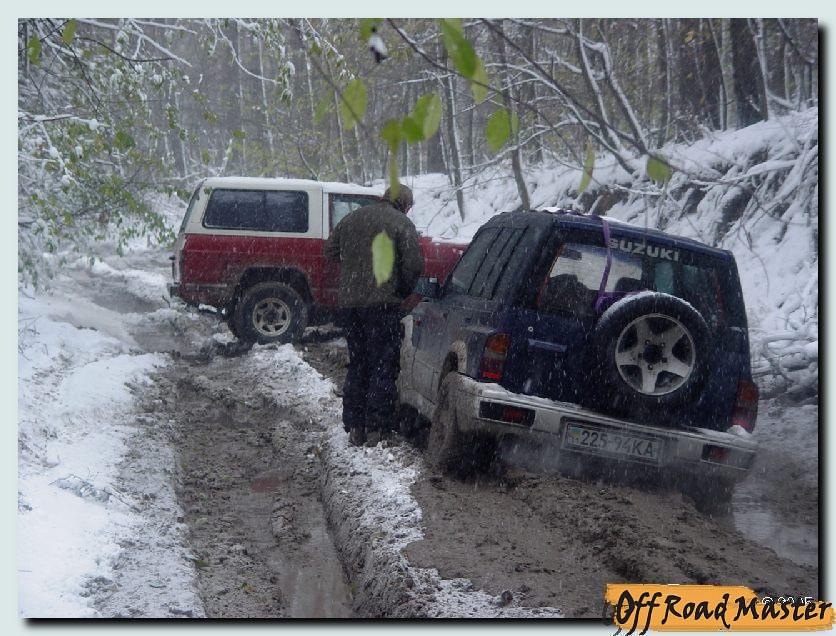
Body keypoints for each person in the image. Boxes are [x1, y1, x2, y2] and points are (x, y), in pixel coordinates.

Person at [324, 184, 424, 447]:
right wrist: (401, 290)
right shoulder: (401, 223)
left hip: (350, 305)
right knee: (383, 364)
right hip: (383, 305)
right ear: (405, 204)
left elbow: (330, 251)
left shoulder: (352, 218)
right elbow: (414, 265)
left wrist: (355, 268)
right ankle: (376, 427)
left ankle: (355, 425)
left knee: (358, 362)